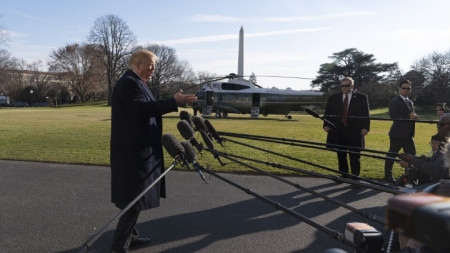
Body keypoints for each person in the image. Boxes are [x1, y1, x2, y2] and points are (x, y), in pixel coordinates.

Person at [110, 49, 196, 252]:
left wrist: (171, 101)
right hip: (132, 152)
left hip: (138, 148)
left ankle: (131, 237)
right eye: (150, 66)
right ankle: (119, 247)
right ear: (137, 65)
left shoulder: (137, 83)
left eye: (154, 66)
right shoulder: (128, 83)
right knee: (134, 197)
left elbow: (150, 106)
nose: (153, 70)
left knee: (134, 195)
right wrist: (174, 102)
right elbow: (143, 109)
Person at [323, 77, 370, 183]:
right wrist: (326, 124)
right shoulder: (333, 98)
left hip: (355, 131)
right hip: (338, 130)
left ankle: (355, 179)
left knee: (355, 156)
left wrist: (365, 127)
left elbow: (366, 114)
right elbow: (328, 113)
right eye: (342, 86)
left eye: (346, 85)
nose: (344, 88)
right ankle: (343, 176)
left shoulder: (362, 97)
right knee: (341, 154)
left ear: (352, 86)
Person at [397, 113, 450, 182]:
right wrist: (427, 159)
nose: (438, 127)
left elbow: (438, 171)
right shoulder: (445, 142)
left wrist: (412, 159)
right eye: (438, 124)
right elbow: (439, 164)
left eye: (442, 124)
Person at [384, 80, 418, 183]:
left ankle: (408, 176)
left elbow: (410, 115)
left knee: (412, 155)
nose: (406, 90)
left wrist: (414, 117)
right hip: (397, 134)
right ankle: (388, 177)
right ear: (399, 89)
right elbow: (393, 116)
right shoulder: (395, 101)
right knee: (392, 155)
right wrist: (408, 116)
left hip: (409, 135)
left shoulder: (409, 101)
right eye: (404, 88)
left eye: (408, 88)